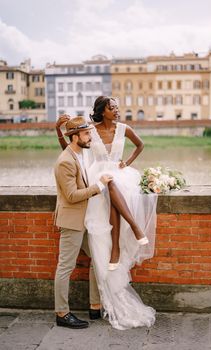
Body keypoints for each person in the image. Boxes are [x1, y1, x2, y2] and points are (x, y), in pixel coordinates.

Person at [56, 96, 158, 330]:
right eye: (112, 107)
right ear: (102, 111)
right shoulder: (89, 130)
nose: (117, 110)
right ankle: (129, 232)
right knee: (98, 239)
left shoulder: (125, 128)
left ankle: (120, 244)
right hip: (96, 181)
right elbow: (72, 151)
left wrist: (127, 162)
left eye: (117, 107)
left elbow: (140, 145)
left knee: (114, 185)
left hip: (118, 177)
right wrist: (59, 132)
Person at [54, 116, 112, 329]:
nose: (91, 137)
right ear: (75, 137)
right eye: (87, 133)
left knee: (98, 258)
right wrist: (99, 186)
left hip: (86, 219)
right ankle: (62, 313)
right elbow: (71, 195)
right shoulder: (65, 161)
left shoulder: (79, 155)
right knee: (65, 267)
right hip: (72, 221)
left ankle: (94, 306)